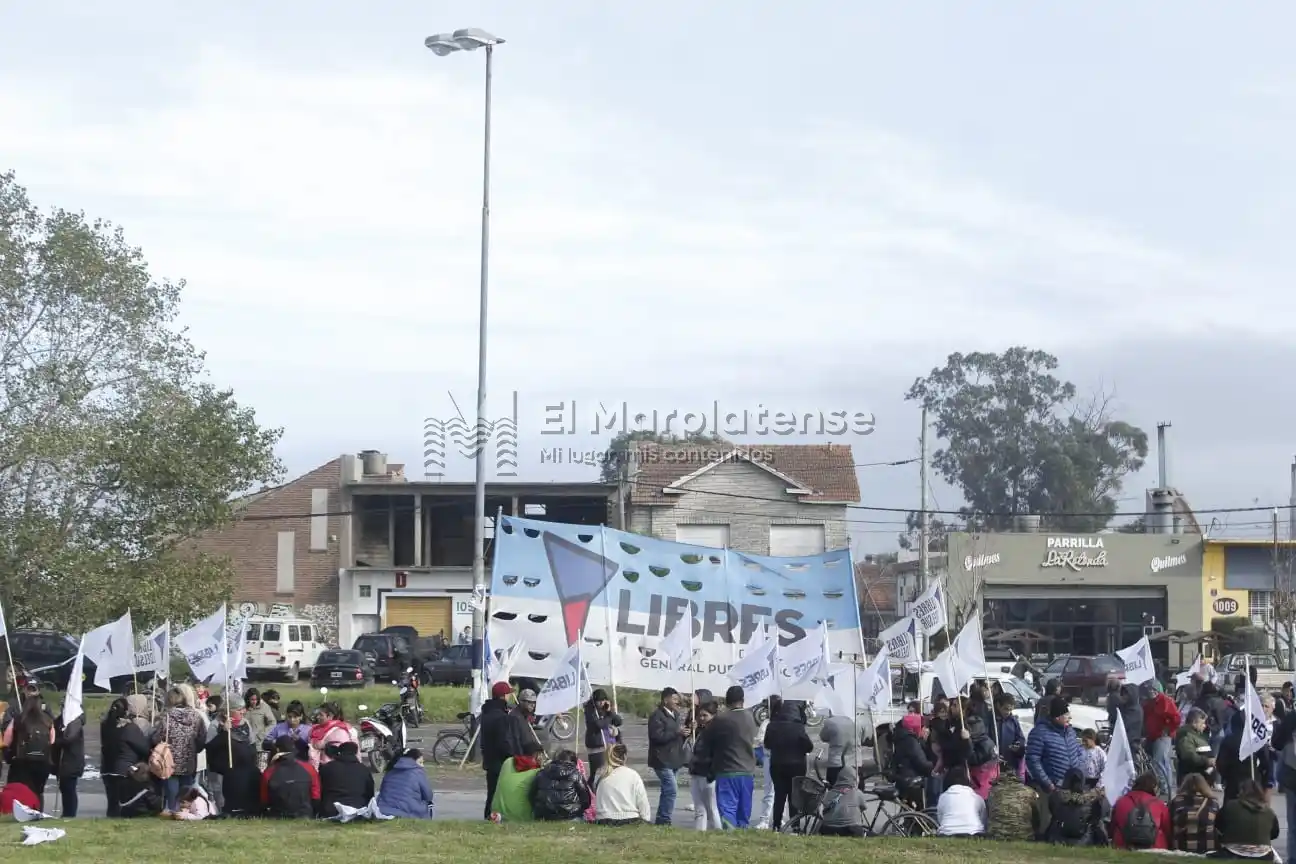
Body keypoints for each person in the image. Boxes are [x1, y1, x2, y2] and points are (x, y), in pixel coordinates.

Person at [699, 685, 758, 829]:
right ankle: (742, 839)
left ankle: (730, 841)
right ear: (743, 700)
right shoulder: (751, 718)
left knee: (728, 810)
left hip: (727, 771)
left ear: (726, 701)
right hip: (747, 772)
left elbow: (707, 743)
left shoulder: (720, 719)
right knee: (743, 811)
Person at [152, 685, 208, 815]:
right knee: (187, 793)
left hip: (169, 762)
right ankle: (187, 813)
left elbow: (156, 738)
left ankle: (173, 812)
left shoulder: (166, 717)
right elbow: (202, 739)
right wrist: (194, 750)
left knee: (172, 794)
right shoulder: (196, 716)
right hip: (189, 762)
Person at [763, 697, 812, 830]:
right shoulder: (798, 727)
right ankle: (794, 825)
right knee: (794, 796)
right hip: (797, 765)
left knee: (779, 794)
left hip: (777, 764)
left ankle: (777, 824)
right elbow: (809, 746)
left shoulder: (772, 725)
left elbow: (767, 744)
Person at [1, 690, 54, 810]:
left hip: (22, 762)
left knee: (21, 791)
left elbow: (7, 739)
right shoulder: (47, 720)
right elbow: (52, 741)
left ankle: (20, 812)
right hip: (43, 762)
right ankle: (38, 811)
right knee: (38, 791)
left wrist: (7, 755)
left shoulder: (19, 719)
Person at [100, 696, 151, 818]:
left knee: (111, 802)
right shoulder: (130, 728)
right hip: (124, 770)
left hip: (107, 768)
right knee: (123, 802)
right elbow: (143, 748)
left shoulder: (106, 725)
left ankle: (109, 822)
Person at [1025, 696, 1084, 794]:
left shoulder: (1070, 732)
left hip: (1074, 785)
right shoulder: (1039, 733)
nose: (1070, 717)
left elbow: (1078, 753)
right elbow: (1033, 761)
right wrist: (1049, 784)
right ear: (1057, 717)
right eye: (1066, 714)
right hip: (1053, 789)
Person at [646, 687, 687, 826]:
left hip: (673, 758)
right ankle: (664, 819)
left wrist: (685, 732)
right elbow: (657, 737)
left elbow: (677, 734)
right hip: (661, 759)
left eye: (678, 699)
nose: (677, 702)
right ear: (665, 700)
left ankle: (661, 818)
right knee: (671, 789)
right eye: (674, 699)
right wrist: (677, 732)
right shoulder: (657, 716)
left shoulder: (675, 714)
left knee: (667, 790)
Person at [1215, 778, 1280, 860]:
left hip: (1233, 851)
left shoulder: (1231, 806)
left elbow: (1218, 825)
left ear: (1241, 791)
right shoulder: (1269, 812)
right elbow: (1274, 834)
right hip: (1263, 854)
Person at [1218, 710, 1273, 802]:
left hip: (1233, 781)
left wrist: (1226, 776)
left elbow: (1220, 763)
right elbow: (1266, 763)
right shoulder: (1257, 740)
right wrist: (1263, 781)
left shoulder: (1228, 740)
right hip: (1254, 781)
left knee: (1231, 811)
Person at [1042, 768, 1105, 846]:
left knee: (1054, 819)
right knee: (1098, 823)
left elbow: (1052, 810)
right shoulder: (1091, 800)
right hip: (1084, 842)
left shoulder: (1056, 796)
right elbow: (1097, 818)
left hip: (1058, 840)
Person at [479, 681, 514, 820]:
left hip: (488, 758)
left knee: (491, 792)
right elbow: (503, 741)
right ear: (503, 696)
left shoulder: (486, 713)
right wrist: (512, 754)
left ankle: (488, 815)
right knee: (499, 792)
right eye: (508, 694)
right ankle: (494, 817)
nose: (510, 697)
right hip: (500, 760)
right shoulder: (501, 717)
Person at [1111, 771, 1172, 850]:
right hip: (1155, 847)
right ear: (1154, 788)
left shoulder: (1121, 801)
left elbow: (1112, 827)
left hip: (1123, 846)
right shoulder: (1160, 805)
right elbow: (1168, 831)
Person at [261, 735, 318, 819]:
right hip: (304, 814)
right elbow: (316, 796)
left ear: (277, 750)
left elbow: (264, 799)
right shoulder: (309, 768)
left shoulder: (269, 772)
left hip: (278, 815)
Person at [593, 743, 650, 825]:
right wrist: (646, 820)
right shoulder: (633, 775)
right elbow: (643, 803)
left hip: (603, 819)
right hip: (629, 818)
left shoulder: (600, 775)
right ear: (625, 757)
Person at [490, 738, 544, 823]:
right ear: (537, 755)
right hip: (520, 817)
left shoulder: (508, 762)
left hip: (496, 815)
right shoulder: (537, 772)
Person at [687, 701, 722, 831]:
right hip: (696, 772)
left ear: (713, 715)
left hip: (707, 774)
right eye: (699, 715)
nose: (701, 718)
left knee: (711, 808)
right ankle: (699, 834)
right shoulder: (702, 731)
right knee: (699, 808)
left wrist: (712, 772)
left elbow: (717, 753)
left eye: (705, 715)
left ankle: (718, 833)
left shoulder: (715, 731)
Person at [531, 749, 592, 821]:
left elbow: (532, 795)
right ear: (574, 762)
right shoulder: (576, 774)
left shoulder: (542, 773)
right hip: (571, 816)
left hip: (544, 816)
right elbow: (586, 800)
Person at [318, 740, 375, 818]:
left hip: (331, 810)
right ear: (355, 753)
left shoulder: (327, 768)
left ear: (340, 752)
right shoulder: (363, 769)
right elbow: (370, 793)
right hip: (359, 810)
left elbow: (319, 790)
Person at [1144, 682, 1182, 796]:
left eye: (1153, 689)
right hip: (1151, 736)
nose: (1151, 691)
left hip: (1162, 737)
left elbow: (1176, 719)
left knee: (1159, 762)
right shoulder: (1148, 702)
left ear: (1158, 690)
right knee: (1157, 762)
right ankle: (1162, 786)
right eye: (1149, 689)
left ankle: (1165, 788)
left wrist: (1168, 730)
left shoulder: (1165, 701)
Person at [890, 713, 934, 810]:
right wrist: (934, 766)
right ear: (915, 728)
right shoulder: (911, 742)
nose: (925, 729)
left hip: (902, 779)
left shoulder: (903, 738)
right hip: (911, 782)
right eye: (922, 727)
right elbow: (922, 764)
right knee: (917, 813)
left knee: (909, 812)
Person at [375, 747, 433, 819]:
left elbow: (383, 791)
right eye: (420, 762)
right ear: (412, 761)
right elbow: (428, 796)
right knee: (427, 804)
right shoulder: (418, 772)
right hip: (407, 814)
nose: (422, 766)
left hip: (383, 811)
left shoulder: (390, 771)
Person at [1170, 772, 1220, 854]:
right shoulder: (1213, 803)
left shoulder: (1176, 802)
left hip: (1181, 848)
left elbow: (1170, 823)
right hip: (1207, 848)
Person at [985, 767, 1038, 842]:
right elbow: (1036, 817)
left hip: (996, 836)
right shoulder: (1029, 791)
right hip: (1024, 836)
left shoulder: (993, 791)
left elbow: (989, 813)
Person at [819, 764, 869, 837]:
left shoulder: (829, 793)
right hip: (850, 830)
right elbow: (864, 807)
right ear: (854, 778)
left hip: (828, 829)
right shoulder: (857, 793)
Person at [936, 766, 986, 837]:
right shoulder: (977, 798)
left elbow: (940, 818)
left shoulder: (943, 797)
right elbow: (983, 819)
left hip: (947, 832)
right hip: (974, 832)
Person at [583, 688, 622, 778]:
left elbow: (619, 722)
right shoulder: (590, 710)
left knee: (610, 773)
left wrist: (609, 712)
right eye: (599, 701)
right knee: (597, 774)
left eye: (603, 700)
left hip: (610, 744)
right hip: (597, 747)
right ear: (595, 701)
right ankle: (591, 791)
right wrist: (608, 717)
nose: (601, 703)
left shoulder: (606, 709)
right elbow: (599, 725)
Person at [52, 712, 85, 817]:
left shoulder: (75, 721)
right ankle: (67, 813)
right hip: (63, 761)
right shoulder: (60, 720)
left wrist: (56, 741)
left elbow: (69, 738)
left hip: (71, 760)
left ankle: (69, 814)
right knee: (64, 787)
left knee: (69, 789)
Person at [308, 701, 357, 768]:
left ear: (330, 716)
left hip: (334, 767)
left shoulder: (338, 731)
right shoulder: (317, 728)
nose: (318, 717)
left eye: (321, 715)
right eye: (318, 715)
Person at [1177, 708, 1217, 782]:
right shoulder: (1186, 735)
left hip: (1200, 777)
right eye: (1202, 723)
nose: (1204, 726)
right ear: (1194, 723)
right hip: (1191, 779)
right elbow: (1188, 755)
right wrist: (1207, 761)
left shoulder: (1197, 735)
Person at [818, 710, 857, 786]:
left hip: (835, 762)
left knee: (834, 787)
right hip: (852, 761)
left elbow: (823, 737)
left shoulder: (830, 722)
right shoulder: (852, 721)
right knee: (852, 788)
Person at [995, 693, 1026, 780]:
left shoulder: (1013, 721)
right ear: (998, 706)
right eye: (1005, 709)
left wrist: (1018, 746)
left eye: (1010, 710)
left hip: (1010, 762)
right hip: (995, 763)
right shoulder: (991, 720)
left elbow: (1021, 738)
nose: (1008, 712)